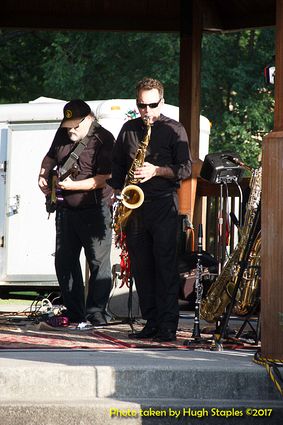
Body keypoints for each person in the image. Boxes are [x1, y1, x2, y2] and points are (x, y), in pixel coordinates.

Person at [110, 77, 192, 341]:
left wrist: (156, 170)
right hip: (135, 208)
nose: (146, 111)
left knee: (165, 266)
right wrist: (118, 193)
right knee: (142, 268)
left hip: (163, 204)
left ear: (162, 102)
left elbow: (186, 169)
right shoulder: (128, 129)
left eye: (152, 105)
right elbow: (117, 169)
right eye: (141, 105)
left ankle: (168, 324)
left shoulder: (174, 129)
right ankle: (151, 321)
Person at [38, 99, 115, 326]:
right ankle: (74, 311)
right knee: (64, 262)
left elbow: (103, 179)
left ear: (88, 119)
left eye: (75, 125)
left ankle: (95, 313)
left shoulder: (104, 138)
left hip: (95, 210)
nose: (70, 130)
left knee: (98, 263)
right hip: (65, 209)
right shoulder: (63, 134)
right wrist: (42, 175)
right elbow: (49, 157)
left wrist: (73, 186)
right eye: (67, 125)